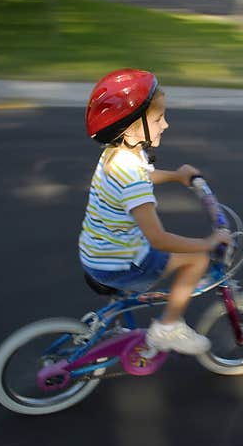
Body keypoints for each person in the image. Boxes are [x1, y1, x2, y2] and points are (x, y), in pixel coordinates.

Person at [79, 68, 232, 355]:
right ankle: (167, 330)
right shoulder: (131, 175)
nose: (166, 124)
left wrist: (176, 176)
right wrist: (208, 243)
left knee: (167, 255)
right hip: (117, 263)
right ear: (133, 127)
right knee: (196, 260)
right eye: (158, 118)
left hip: (97, 252)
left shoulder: (118, 154)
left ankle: (121, 328)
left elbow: (144, 176)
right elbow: (158, 239)